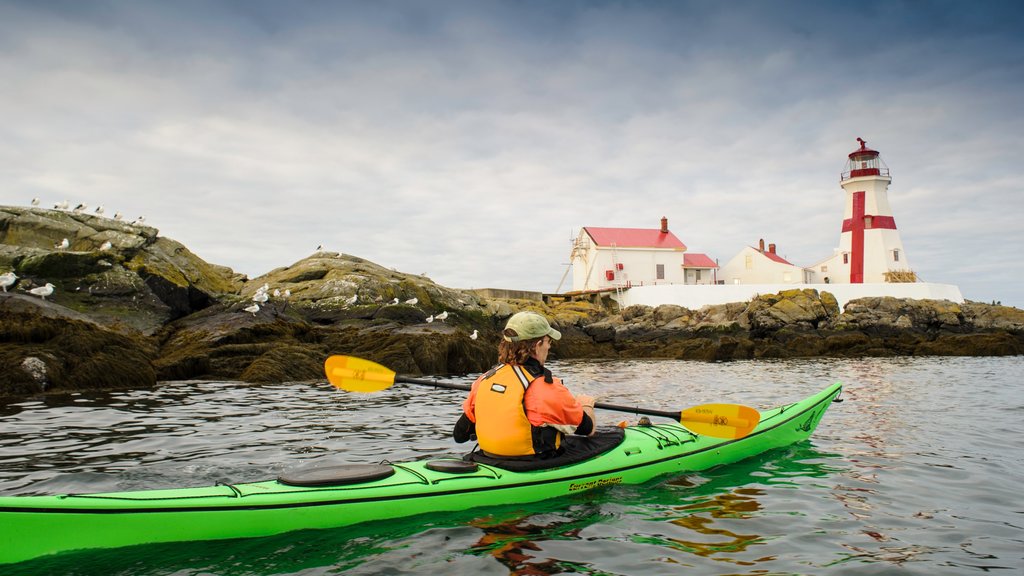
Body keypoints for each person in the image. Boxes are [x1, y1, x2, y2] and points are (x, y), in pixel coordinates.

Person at [453, 311, 596, 459]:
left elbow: (459, 435)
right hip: (529, 465)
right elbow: (588, 429)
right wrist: (586, 406)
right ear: (538, 345)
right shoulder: (545, 387)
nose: (549, 347)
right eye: (549, 342)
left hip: (488, 458)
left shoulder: (484, 380)